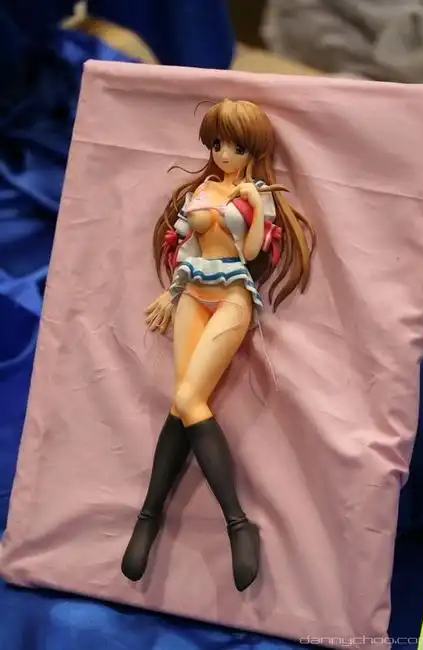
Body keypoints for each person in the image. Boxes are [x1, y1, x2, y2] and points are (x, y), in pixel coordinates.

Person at [121, 98, 315, 591]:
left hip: (231, 296)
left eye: (235, 146)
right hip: (193, 293)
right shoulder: (201, 191)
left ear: (252, 150)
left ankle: (231, 521)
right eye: (216, 144)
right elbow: (187, 246)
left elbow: (249, 253)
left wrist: (253, 207)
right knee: (184, 401)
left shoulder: (256, 195)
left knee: (188, 398)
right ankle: (153, 516)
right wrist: (171, 292)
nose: (224, 154)